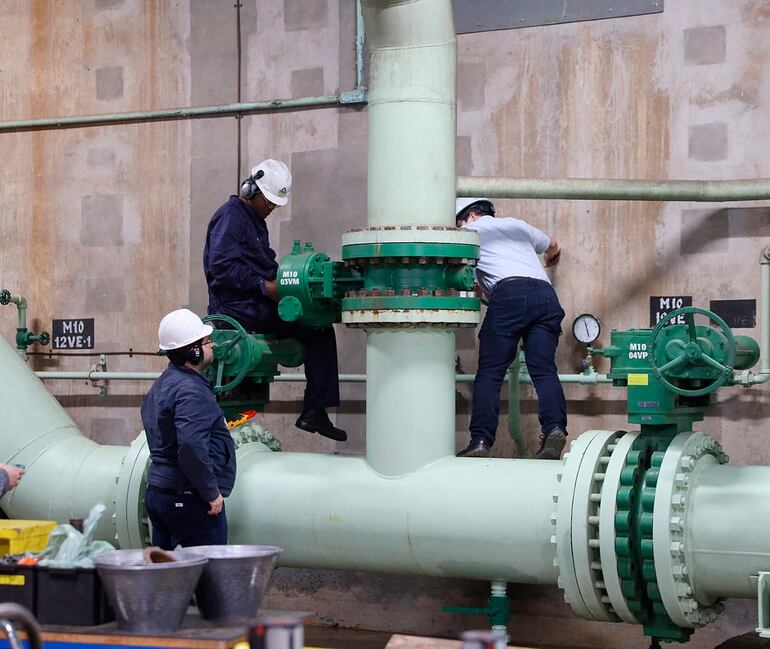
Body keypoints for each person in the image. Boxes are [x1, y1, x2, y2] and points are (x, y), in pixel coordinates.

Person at [203, 158, 346, 442]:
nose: (271, 208)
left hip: (254, 303)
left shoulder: (255, 223)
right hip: (238, 309)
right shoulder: (231, 217)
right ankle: (314, 411)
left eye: (274, 203)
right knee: (317, 330)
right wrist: (264, 287)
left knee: (318, 323)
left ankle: (315, 410)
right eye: (268, 201)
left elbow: (264, 265)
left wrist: (289, 282)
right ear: (249, 191)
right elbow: (220, 267)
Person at [455, 198, 567, 460]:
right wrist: (551, 258)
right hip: (546, 296)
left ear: (471, 216)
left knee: (491, 373)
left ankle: (481, 440)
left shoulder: (465, 234)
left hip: (509, 294)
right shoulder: (516, 225)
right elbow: (552, 244)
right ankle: (554, 429)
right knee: (544, 370)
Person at [141, 308, 236, 549]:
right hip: (189, 497)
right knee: (208, 574)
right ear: (193, 351)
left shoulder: (163, 384)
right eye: (206, 341)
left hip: (161, 494)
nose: (212, 345)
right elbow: (191, 446)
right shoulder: (191, 391)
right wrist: (211, 493)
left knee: (170, 575)